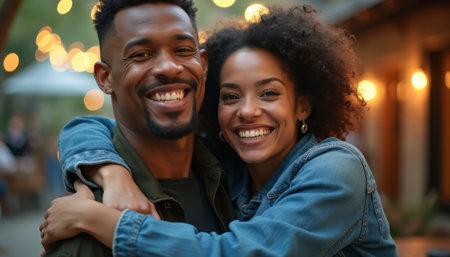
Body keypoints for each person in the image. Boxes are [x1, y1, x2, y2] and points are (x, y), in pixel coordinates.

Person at [41, 4, 399, 257]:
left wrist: (101, 220)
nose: (247, 111)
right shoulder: (227, 163)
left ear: (303, 104)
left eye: (269, 93)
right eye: (230, 96)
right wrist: (109, 172)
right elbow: (88, 126)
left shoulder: (336, 169)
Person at [39, 0, 236, 256]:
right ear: (105, 78)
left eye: (183, 50)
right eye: (141, 54)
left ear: (204, 64)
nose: (168, 67)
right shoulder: (88, 227)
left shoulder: (238, 179)